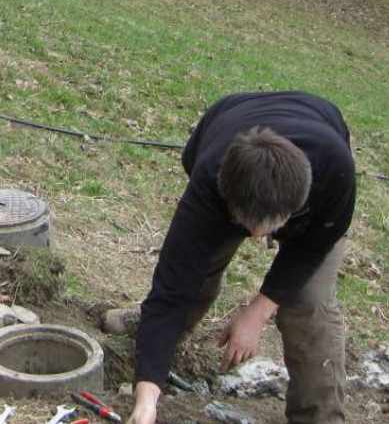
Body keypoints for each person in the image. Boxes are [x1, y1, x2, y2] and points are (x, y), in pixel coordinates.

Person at [127, 91, 356, 424]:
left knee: (308, 303)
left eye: (269, 229)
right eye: (246, 226)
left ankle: (319, 417)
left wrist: (258, 312)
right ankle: (158, 346)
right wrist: (146, 401)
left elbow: (311, 249)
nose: (256, 238)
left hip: (320, 137)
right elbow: (171, 290)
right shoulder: (208, 182)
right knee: (196, 272)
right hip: (225, 128)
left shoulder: (335, 174)